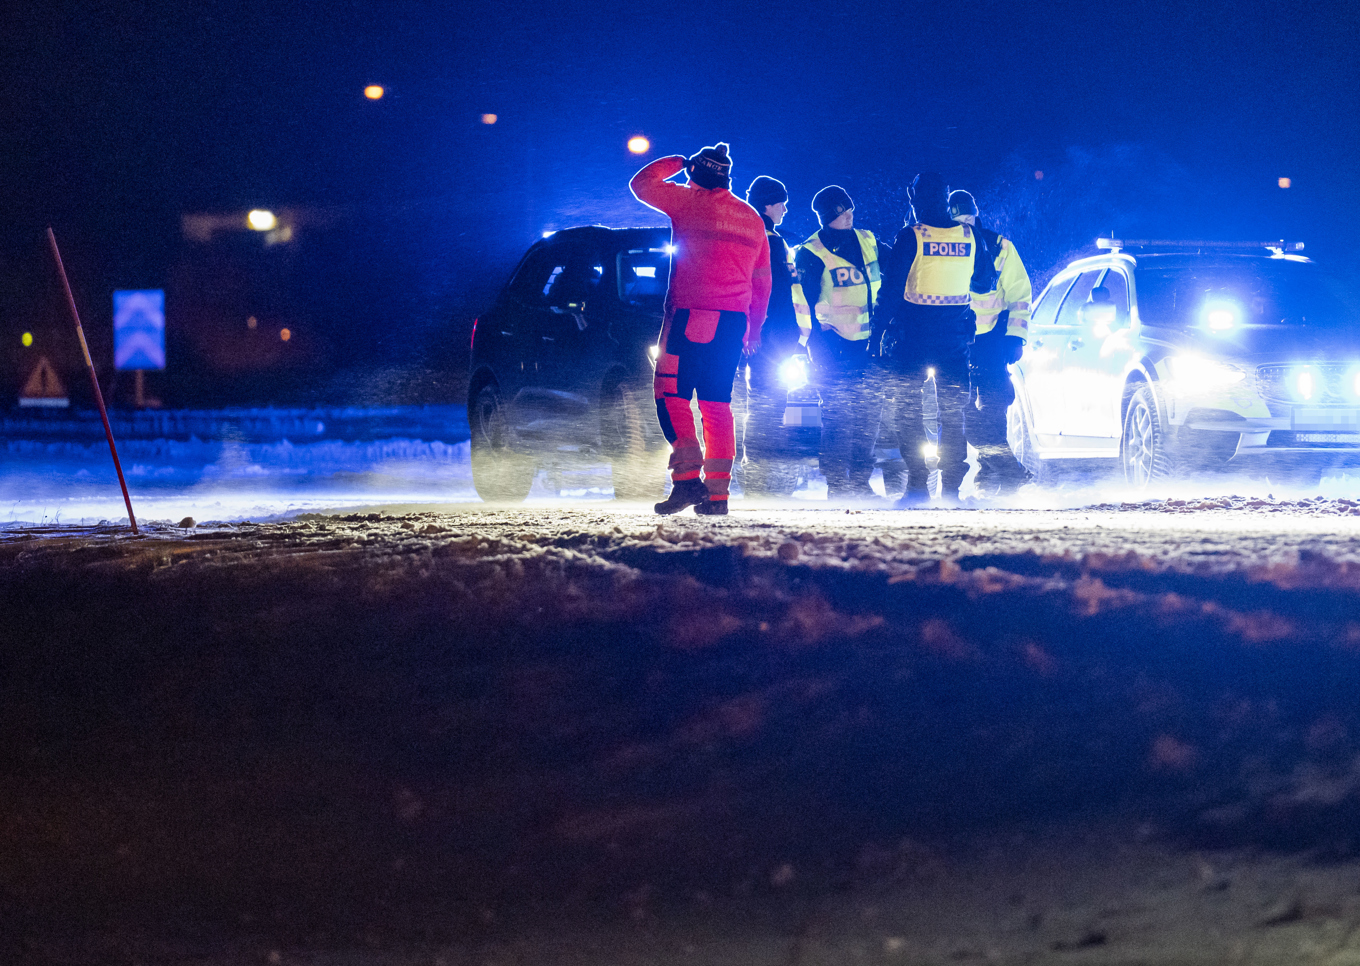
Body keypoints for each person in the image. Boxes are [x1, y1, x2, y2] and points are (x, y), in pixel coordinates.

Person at [630, 142, 772, 516]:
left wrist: (679, 160)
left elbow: (642, 184)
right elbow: (763, 282)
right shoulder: (752, 218)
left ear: (696, 174)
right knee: (716, 404)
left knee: (670, 394)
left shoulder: (689, 202)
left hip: (692, 316)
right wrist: (753, 330)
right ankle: (717, 496)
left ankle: (687, 480)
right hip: (733, 324)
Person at [877, 173, 976, 507]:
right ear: (946, 198)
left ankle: (918, 485)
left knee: (908, 412)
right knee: (952, 414)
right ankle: (951, 489)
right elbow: (986, 278)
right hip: (955, 340)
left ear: (915, 197)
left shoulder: (911, 236)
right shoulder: (969, 235)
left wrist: (877, 333)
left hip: (913, 340)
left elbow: (890, 291)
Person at [791, 185, 887, 501]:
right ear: (828, 216)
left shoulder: (868, 240)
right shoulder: (811, 252)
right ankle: (837, 484)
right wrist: (815, 343)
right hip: (833, 346)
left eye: (850, 211)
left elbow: (895, 267)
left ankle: (860, 481)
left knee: (868, 416)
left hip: (870, 345)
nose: (850, 216)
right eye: (843, 213)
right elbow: (802, 303)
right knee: (839, 417)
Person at [948, 189, 1033, 497]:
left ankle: (991, 471)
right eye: (959, 221)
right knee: (963, 410)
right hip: (956, 339)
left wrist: (1015, 336)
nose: (966, 226)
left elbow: (1019, 294)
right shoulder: (944, 247)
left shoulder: (1000, 246)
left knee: (996, 405)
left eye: (969, 219)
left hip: (993, 338)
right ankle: (1007, 468)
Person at [739, 176, 802, 498]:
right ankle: (765, 481)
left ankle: (751, 477)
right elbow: (776, 295)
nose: (785, 209)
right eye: (782, 203)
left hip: (741, 332)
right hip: (769, 337)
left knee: (751, 405)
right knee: (770, 406)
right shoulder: (772, 241)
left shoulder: (740, 233)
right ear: (768, 204)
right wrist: (791, 336)